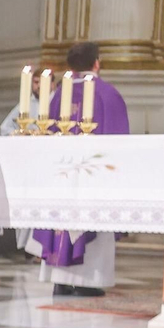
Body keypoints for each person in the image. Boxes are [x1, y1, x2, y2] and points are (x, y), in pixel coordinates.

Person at [30, 41, 130, 297]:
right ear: (97, 63)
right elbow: (120, 145)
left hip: (61, 178)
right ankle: (88, 281)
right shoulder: (107, 95)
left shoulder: (57, 96)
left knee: (61, 220)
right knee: (91, 220)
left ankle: (60, 279)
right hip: (92, 180)